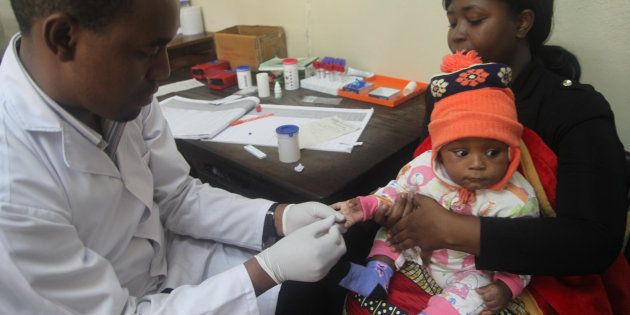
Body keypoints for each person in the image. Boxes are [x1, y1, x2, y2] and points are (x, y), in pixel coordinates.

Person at [0, 0, 348, 314]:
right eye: (148, 51)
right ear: (63, 38)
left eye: (166, 46)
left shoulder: (121, 97)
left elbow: (177, 197)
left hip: (172, 261)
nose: (163, 71)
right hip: (119, 303)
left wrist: (279, 217)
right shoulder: (12, 186)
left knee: (319, 287)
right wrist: (267, 270)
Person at [345, 0, 628, 314]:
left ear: (522, 23)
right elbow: (430, 173)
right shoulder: (447, 94)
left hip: (528, 270)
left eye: (474, 19)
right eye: (452, 22)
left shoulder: (576, 110)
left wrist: (453, 229)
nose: (457, 35)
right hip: (434, 252)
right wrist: (395, 209)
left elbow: (594, 241)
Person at [335, 51, 540, 314]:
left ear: (511, 150)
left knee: (475, 293)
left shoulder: (518, 199)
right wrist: (366, 205)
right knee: (392, 228)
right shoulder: (424, 168)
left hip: (470, 268)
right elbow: (396, 191)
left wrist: (506, 287)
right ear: (440, 150)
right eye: (462, 153)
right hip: (415, 246)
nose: (477, 164)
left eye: (493, 152)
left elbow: (523, 252)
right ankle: (378, 271)